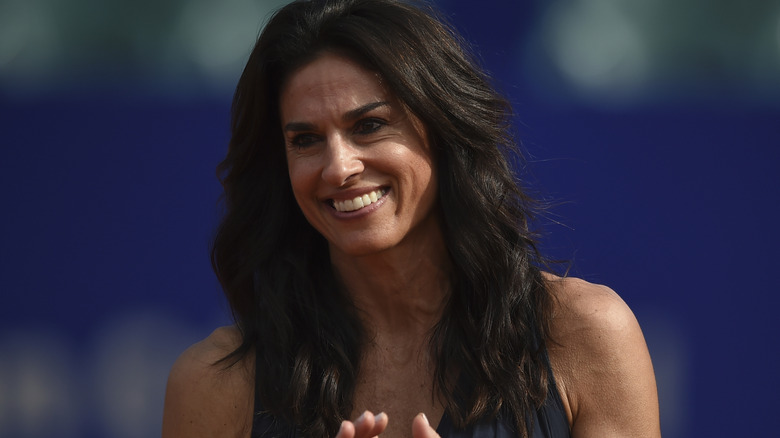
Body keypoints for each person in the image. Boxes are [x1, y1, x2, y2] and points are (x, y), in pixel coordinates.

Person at [162, 0, 660, 437]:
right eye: (306, 140)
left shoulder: (584, 335)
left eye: (370, 125)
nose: (339, 167)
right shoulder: (215, 383)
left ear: (444, 131)